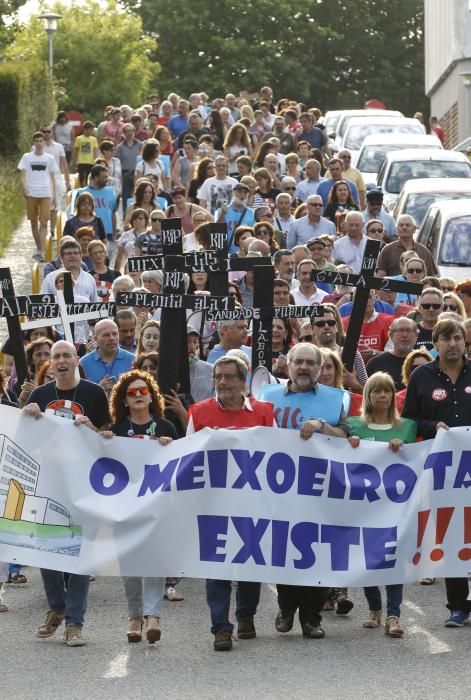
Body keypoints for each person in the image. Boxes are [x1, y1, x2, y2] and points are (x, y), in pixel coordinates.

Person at [259, 343, 351, 638]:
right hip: (278, 489)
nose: (303, 368)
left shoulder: (334, 399)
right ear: (288, 365)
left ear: (319, 367)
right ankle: (286, 607)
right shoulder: (267, 396)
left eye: (310, 363)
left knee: (315, 552)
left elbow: (347, 436)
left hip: (318, 488)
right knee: (282, 551)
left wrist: (323, 425)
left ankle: (311, 618)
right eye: (298, 362)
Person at [23, 340, 110, 647]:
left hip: (84, 485)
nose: (60, 360)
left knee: (80, 557)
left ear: (76, 360)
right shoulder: (40, 396)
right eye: (55, 356)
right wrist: (27, 414)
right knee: (48, 552)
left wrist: (94, 430)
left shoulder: (94, 394)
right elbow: (25, 442)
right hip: (49, 484)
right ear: (51, 364)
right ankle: (57, 607)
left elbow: (109, 440)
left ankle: (74, 623)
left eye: (65, 356)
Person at [186, 355, 275, 651]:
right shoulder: (199, 413)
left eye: (228, 377)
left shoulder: (264, 413)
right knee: (217, 568)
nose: (222, 382)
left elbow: (277, 458)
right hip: (214, 504)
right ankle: (220, 627)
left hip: (252, 503)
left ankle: (246, 614)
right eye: (218, 377)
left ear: (243, 381)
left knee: (250, 563)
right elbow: (188, 458)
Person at [402, 319, 471, 627]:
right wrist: (433, 427)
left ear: (464, 340)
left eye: (457, 337)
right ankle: (457, 605)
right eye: (446, 339)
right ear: (436, 343)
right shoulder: (421, 376)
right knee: (454, 533)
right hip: (441, 470)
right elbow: (409, 421)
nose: (453, 344)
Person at [100, 369, 176, 643]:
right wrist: (104, 442)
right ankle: (135, 616)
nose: (138, 396)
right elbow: (104, 465)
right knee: (130, 563)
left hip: (156, 506)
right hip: (125, 507)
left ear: (151, 395)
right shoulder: (117, 429)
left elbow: (179, 464)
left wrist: (169, 446)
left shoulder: (166, 427)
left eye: (143, 390)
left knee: (154, 561)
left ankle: (153, 615)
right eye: (132, 392)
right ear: (123, 399)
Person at [348, 372, 417, 638]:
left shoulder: (407, 427)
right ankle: (374, 609)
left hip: (396, 507)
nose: (382, 396)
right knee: (370, 560)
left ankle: (393, 614)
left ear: (392, 396)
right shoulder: (355, 426)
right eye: (376, 391)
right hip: (364, 507)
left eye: (387, 391)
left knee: (394, 560)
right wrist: (349, 444)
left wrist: (405, 446)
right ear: (368, 396)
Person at [18, 131, 56, 261]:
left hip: (45, 192)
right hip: (31, 192)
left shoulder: (49, 158)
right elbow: (22, 174)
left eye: (41, 141)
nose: (39, 143)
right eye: (37, 141)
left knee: (44, 222)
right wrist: (24, 188)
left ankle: (42, 251)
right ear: (33, 143)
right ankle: (39, 248)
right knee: (33, 222)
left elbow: (52, 177)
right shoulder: (27, 157)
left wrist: (54, 194)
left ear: (44, 142)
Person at [79, 319, 135, 392]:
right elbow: (81, 395)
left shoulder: (132, 360)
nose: (112, 338)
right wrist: (99, 389)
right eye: (106, 335)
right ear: (96, 339)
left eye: (115, 334)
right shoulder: (83, 363)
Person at [366, 317, 419, 390]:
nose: (404, 335)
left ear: (416, 335)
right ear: (391, 335)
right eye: (400, 330)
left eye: (409, 330)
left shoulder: (424, 361)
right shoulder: (375, 363)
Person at [41, 236, 99, 301]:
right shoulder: (50, 278)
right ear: (61, 258)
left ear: (81, 256)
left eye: (75, 253)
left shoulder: (89, 279)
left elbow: (95, 304)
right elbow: (42, 304)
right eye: (68, 253)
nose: (72, 256)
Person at [77, 164, 117, 242]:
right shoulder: (82, 193)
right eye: (103, 177)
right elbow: (77, 214)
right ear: (95, 178)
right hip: (88, 233)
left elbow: (113, 214)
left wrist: (113, 233)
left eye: (107, 177)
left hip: (107, 232)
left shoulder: (111, 191)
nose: (106, 179)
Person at [116, 124, 144, 207]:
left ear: (134, 132)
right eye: (127, 131)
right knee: (126, 197)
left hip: (137, 173)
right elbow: (117, 162)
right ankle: (126, 216)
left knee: (139, 195)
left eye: (131, 130)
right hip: (125, 174)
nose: (129, 133)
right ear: (124, 133)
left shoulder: (140, 145)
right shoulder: (120, 147)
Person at [72, 121, 99, 187]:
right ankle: (82, 187)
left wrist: (96, 161)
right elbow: (76, 150)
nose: (92, 131)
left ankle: (88, 187)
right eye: (90, 130)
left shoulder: (93, 139)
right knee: (81, 176)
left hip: (90, 162)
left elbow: (95, 150)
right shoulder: (79, 138)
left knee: (88, 176)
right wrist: (74, 162)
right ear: (85, 129)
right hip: (81, 161)